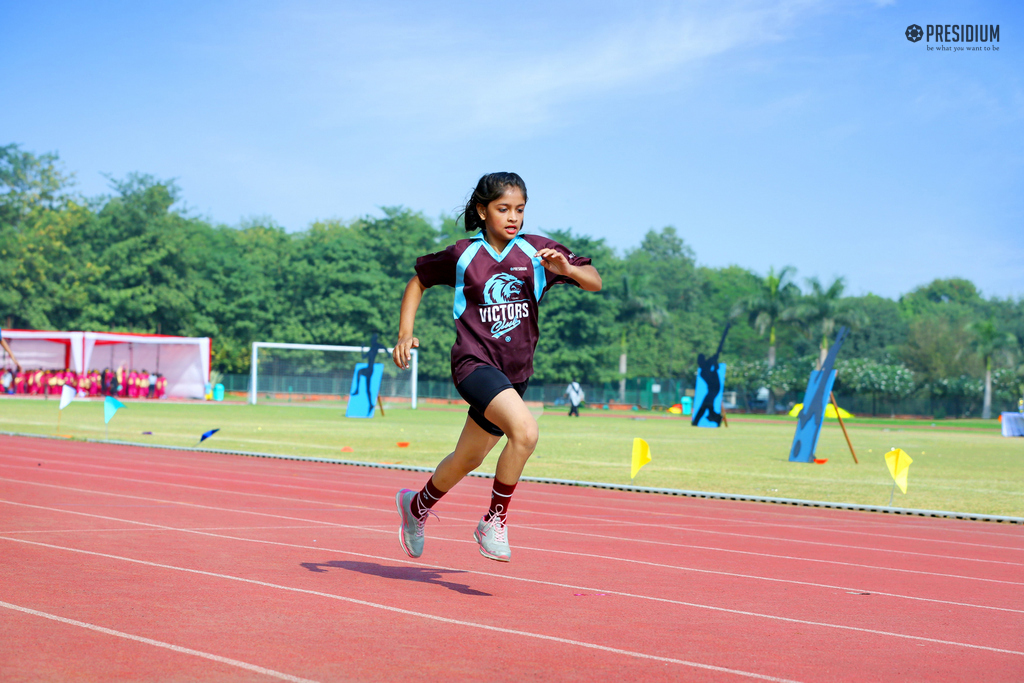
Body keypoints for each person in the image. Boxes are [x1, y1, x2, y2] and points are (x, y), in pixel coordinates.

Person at [392, 172, 602, 562]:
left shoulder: (539, 252)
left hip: (514, 376)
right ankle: (494, 519)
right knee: (525, 432)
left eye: (519, 210)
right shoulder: (463, 255)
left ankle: (416, 506)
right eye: (503, 209)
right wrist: (405, 333)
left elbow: (594, 281)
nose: (513, 217)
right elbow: (418, 281)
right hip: (474, 364)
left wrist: (567, 269)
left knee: (467, 459)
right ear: (482, 211)